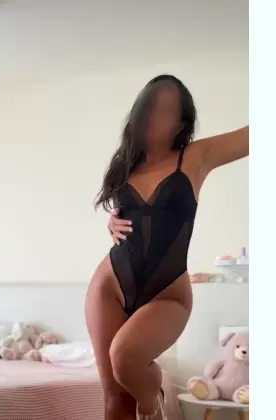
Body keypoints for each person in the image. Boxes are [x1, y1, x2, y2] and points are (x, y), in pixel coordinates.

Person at [85, 74, 249, 420]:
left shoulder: (194, 157)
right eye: (149, 106)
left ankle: (152, 402)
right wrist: (111, 223)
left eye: (166, 110)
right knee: (114, 399)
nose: (152, 115)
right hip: (109, 286)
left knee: (124, 357)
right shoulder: (126, 165)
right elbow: (128, 216)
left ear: (181, 124)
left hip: (167, 294)